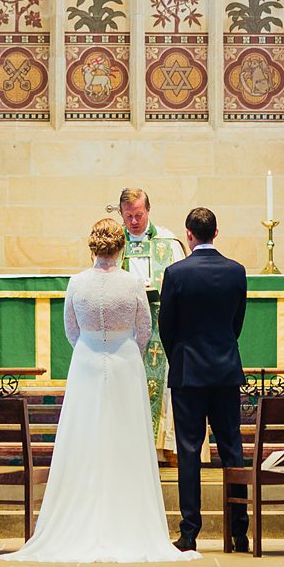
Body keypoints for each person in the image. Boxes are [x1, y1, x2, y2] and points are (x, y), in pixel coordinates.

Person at [0, 218, 195, 564]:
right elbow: (145, 328)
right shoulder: (132, 283)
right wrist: (124, 350)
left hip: (85, 361)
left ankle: (77, 520)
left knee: (84, 436)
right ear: (121, 247)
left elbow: (71, 329)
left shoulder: (77, 282)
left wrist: (90, 348)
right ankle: (130, 524)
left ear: (92, 247)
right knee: (126, 439)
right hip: (125, 363)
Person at [158, 206, 250, 553]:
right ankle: (239, 532)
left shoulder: (176, 273)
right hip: (225, 372)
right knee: (231, 450)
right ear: (216, 232)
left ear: (189, 234)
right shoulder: (236, 271)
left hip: (188, 374)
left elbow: (166, 326)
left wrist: (180, 356)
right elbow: (236, 323)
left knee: (188, 451)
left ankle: (189, 532)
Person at [117, 186, 186, 452]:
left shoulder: (168, 243)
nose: (134, 221)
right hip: (127, 329)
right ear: (121, 213)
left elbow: (182, 285)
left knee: (163, 385)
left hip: (161, 325)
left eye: (139, 215)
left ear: (148, 210)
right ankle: (132, 447)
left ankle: (163, 448)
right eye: (128, 216)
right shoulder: (114, 244)